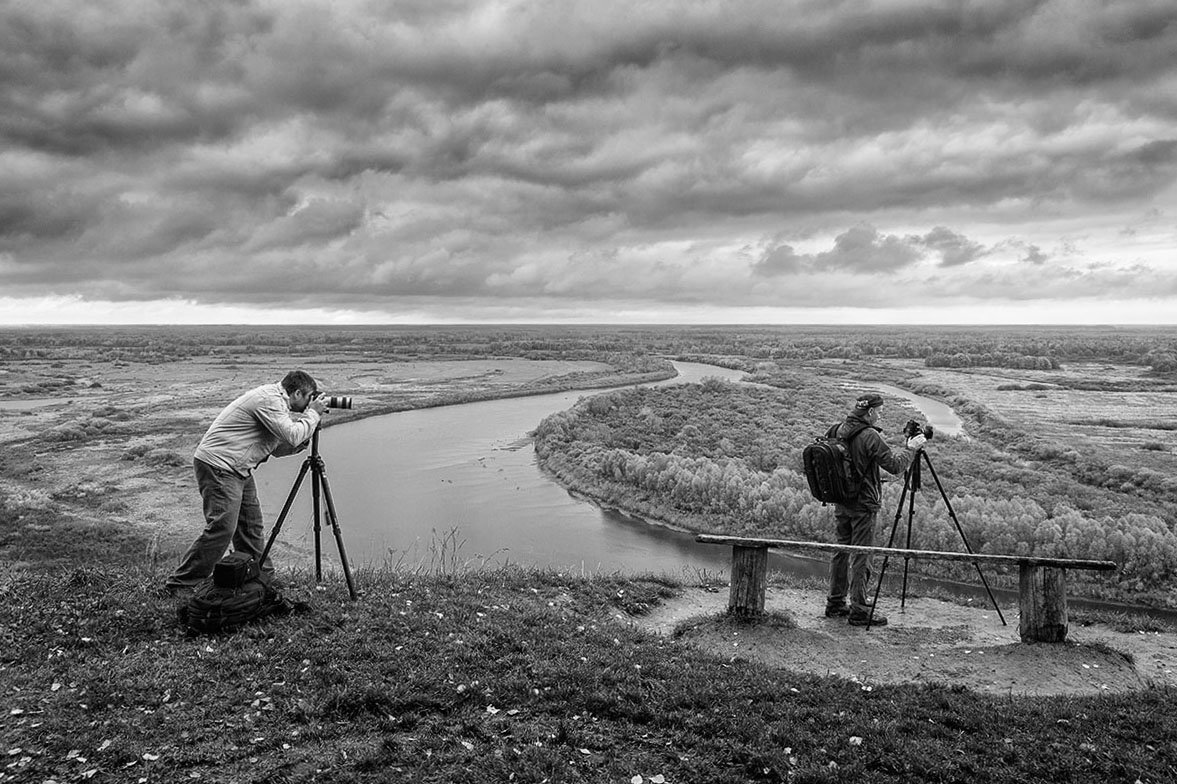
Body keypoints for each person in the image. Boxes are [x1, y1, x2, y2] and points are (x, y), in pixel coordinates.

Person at [164, 370, 327, 596]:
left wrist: (306, 433)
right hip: (219, 466)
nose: (311, 402)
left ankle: (261, 576)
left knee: (250, 527)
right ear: (297, 392)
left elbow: (278, 447)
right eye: (309, 397)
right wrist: (313, 416)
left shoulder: (276, 404)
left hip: (237, 468)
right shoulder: (269, 401)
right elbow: (291, 434)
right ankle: (181, 585)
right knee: (222, 528)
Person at [825, 392, 927, 626]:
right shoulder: (870, 436)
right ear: (870, 412)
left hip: (841, 501)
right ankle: (860, 609)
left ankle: (835, 602)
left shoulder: (836, 429)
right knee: (862, 554)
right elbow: (894, 465)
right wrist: (911, 448)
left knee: (840, 549)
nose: (880, 415)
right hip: (864, 505)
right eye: (879, 411)